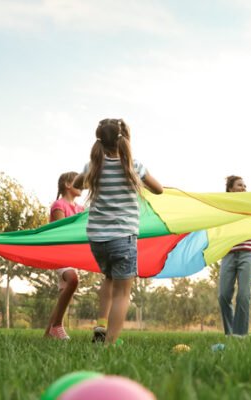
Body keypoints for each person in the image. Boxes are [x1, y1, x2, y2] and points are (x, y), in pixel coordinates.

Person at [74, 118, 163, 344]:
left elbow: (76, 184)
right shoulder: (133, 166)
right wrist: (138, 180)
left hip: (97, 239)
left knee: (109, 278)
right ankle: (109, 344)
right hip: (123, 237)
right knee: (122, 293)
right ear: (125, 140)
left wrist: (92, 174)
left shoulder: (93, 166)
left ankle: (101, 325)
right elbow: (159, 189)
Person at [43, 171, 85, 340]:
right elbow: (62, 232)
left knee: (64, 294)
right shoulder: (58, 205)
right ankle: (57, 325)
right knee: (73, 280)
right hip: (59, 253)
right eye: (78, 181)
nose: (82, 185)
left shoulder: (81, 209)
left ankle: (48, 334)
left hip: (72, 256)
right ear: (68, 185)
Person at [218, 175, 251, 336]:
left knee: (243, 296)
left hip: (248, 253)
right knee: (223, 296)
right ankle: (230, 333)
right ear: (230, 189)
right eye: (240, 185)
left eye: (245, 186)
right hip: (228, 254)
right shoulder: (223, 208)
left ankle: (240, 335)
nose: (243, 188)